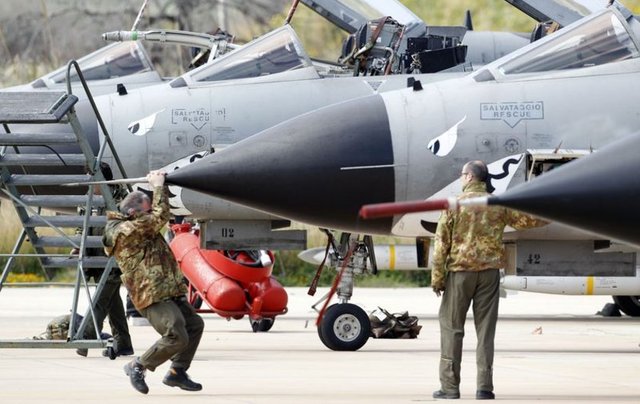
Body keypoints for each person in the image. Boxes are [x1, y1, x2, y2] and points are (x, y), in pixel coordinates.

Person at [431, 160, 548, 400]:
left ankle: (450, 388)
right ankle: (484, 387)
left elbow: (441, 244)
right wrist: (556, 209)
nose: (461, 178)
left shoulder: (454, 205)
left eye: (462, 174)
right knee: (485, 331)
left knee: (452, 328)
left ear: (469, 177)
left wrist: (438, 279)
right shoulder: (497, 204)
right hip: (489, 275)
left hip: (460, 274)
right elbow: (527, 221)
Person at [103, 170, 204, 395]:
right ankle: (138, 366)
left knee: (194, 325)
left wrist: (162, 187)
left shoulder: (138, 224)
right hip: (151, 293)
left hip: (167, 290)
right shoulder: (126, 230)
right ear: (133, 213)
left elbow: (157, 214)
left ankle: (177, 372)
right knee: (176, 334)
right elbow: (160, 216)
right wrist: (158, 186)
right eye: (146, 211)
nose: (150, 215)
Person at [74, 162, 133, 358]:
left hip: (114, 259)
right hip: (95, 258)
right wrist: (78, 245)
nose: (89, 182)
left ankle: (86, 337)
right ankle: (123, 343)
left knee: (100, 300)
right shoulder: (88, 198)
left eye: (92, 178)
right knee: (112, 302)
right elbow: (81, 224)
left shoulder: (122, 199)